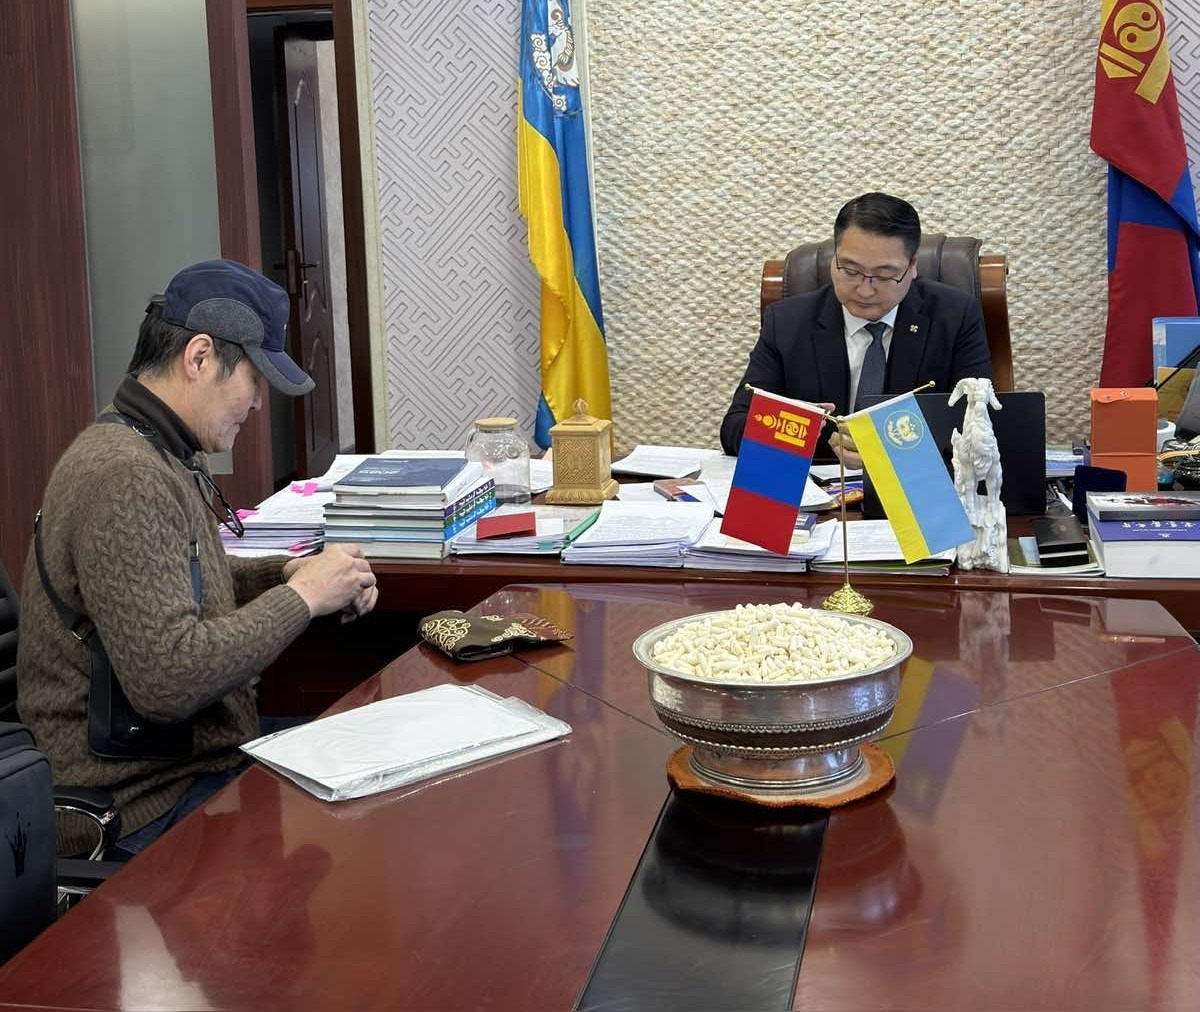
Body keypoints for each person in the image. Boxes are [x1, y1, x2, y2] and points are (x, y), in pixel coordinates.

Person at [17, 259, 378, 854]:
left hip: (184, 764)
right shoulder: (124, 476)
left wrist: (285, 574)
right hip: (140, 799)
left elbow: (170, 583)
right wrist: (302, 597)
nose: (257, 403)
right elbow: (169, 679)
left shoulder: (153, 448)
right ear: (200, 357)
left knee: (369, 757)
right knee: (364, 819)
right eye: (254, 380)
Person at [720, 192, 994, 467]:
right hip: (818, 485)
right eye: (850, 271)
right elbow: (734, 428)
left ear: (912, 266)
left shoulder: (955, 316)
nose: (864, 290)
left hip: (914, 482)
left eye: (884, 275)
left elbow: (980, 425)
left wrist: (890, 449)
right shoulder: (787, 322)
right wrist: (796, 428)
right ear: (834, 258)